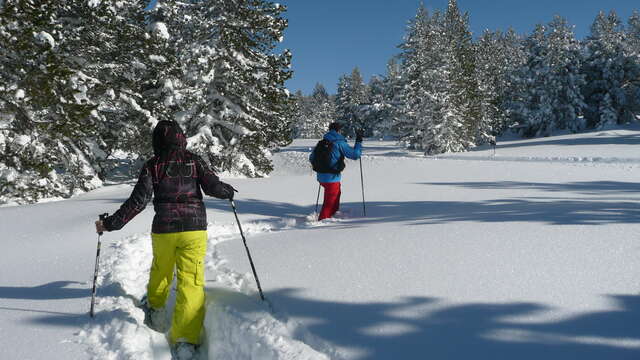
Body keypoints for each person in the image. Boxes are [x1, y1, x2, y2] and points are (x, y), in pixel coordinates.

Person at [94, 120, 236, 357]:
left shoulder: (154, 164)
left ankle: (157, 313)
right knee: (191, 281)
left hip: (164, 229)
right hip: (195, 229)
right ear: (181, 138)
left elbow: (138, 202)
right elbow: (213, 187)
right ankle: (186, 342)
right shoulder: (194, 160)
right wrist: (228, 191)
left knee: (162, 268)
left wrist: (111, 224)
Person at [309, 122, 363, 220]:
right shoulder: (340, 143)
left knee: (336, 193)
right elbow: (355, 155)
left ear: (329, 130)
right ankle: (323, 221)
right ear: (339, 130)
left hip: (321, 177)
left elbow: (311, 158)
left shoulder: (322, 142)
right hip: (332, 177)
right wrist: (358, 142)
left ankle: (333, 214)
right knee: (329, 202)